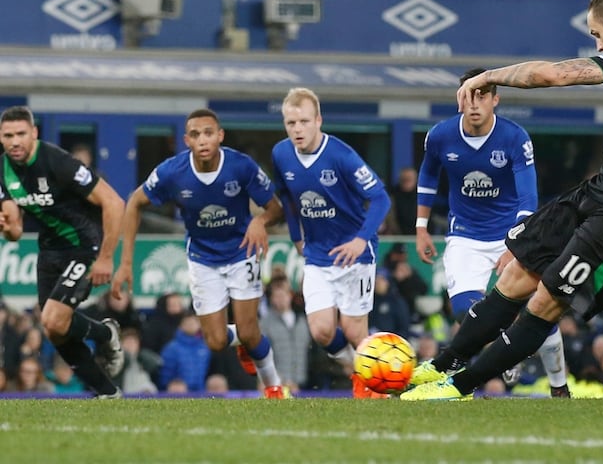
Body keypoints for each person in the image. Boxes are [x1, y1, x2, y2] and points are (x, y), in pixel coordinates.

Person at [401, 0, 603, 400]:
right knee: (514, 275)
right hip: (601, 193)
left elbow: (552, 74)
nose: (598, 45)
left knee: (545, 304)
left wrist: (488, 76)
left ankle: (458, 387)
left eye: (597, 35)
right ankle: (440, 365)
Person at [112, 108, 289, 399]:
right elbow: (134, 203)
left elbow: (276, 208)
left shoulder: (241, 166)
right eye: (195, 135)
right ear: (187, 141)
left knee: (249, 330)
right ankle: (242, 341)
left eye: (209, 133)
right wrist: (126, 262)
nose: (203, 140)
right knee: (217, 341)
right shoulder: (173, 172)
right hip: (203, 259)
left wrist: (259, 221)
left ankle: (274, 387)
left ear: (220, 136)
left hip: (242, 252)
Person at [414, 67, 570, 397]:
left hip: (511, 235)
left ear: (495, 100)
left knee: (544, 311)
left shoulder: (515, 138)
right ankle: (501, 353)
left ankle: (559, 387)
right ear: (459, 99)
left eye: (482, 95)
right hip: (465, 235)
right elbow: (428, 177)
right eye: (468, 94)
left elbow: (528, 196)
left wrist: (516, 244)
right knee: (463, 311)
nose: (474, 103)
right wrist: (421, 227)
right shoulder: (440, 136)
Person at [271, 88, 392, 399]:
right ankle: (360, 374)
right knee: (321, 331)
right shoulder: (281, 154)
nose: (297, 129)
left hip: (355, 256)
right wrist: (296, 237)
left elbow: (380, 198)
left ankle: (374, 385)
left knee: (354, 331)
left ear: (318, 120)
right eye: (290, 123)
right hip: (317, 255)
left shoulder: (341, 155)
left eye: (303, 121)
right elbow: (285, 194)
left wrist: (359, 240)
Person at [0, 105, 125, 398]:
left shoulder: (58, 161)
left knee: (54, 319)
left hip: (83, 244)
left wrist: (105, 256)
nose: (15, 141)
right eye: (8, 136)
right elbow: (15, 232)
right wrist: (5, 227)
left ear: (34, 133)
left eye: (20, 134)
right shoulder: (2, 171)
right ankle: (109, 393)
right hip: (50, 249)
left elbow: (114, 202)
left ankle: (107, 335)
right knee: (54, 329)